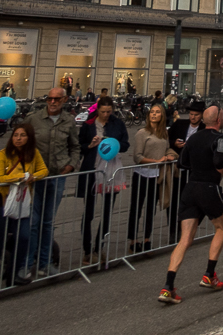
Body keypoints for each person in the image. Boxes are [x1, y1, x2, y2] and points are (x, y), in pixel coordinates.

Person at [158, 106, 223, 304]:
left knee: (185, 238)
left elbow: (182, 163)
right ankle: (209, 274)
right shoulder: (221, 138)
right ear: (219, 120)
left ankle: (168, 286)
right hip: (208, 188)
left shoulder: (194, 138)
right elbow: (219, 162)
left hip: (190, 188)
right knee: (221, 228)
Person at [23, 86, 80, 279]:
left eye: (57, 99)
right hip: (35, 178)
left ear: (64, 100)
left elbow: (75, 146)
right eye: (49, 99)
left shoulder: (69, 121)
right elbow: (21, 143)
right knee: (33, 222)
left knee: (47, 222)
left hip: (57, 177)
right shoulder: (34, 119)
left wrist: (71, 165)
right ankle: (26, 264)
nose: (53, 102)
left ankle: (45, 263)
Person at [0, 124, 48, 288]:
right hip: (2, 201)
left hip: (22, 202)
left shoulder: (33, 154)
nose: (18, 138)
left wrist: (33, 177)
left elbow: (44, 170)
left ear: (28, 138)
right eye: (15, 135)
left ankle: (13, 274)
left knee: (23, 238)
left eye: (22, 135)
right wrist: (21, 176)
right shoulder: (2, 155)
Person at [78, 96, 129, 265]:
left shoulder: (117, 124)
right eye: (103, 111)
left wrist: (113, 143)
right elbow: (80, 146)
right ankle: (87, 249)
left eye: (109, 111)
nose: (106, 114)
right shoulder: (88, 125)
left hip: (110, 171)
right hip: (92, 169)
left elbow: (125, 144)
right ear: (97, 110)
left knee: (107, 211)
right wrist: (91, 145)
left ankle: (99, 247)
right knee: (89, 212)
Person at [129, 105, 176, 253]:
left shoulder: (164, 133)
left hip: (156, 175)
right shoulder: (142, 133)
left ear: (162, 116)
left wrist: (170, 155)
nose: (154, 115)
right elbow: (137, 157)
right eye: (152, 112)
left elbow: (166, 148)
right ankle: (133, 240)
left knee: (151, 208)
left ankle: (147, 238)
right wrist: (155, 161)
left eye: (157, 113)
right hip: (142, 174)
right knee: (136, 207)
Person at [167, 99, 205, 243]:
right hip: (179, 169)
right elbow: (167, 139)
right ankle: (173, 230)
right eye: (191, 114)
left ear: (201, 115)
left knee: (193, 202)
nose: (193, 117)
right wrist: (174, 144)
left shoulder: (203, 129)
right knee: (175, 200)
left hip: (194, 170)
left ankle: (187, 229)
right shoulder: (180, 124)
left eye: (196, 115)